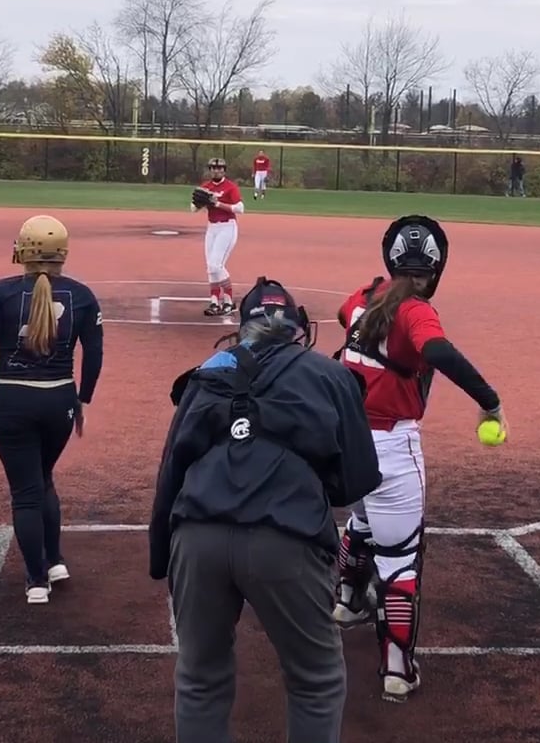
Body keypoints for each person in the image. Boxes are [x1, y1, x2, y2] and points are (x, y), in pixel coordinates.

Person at [149, 278, 381, 743]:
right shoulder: (329, 374)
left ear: (243, 327)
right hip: (286, 533)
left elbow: (171, 470)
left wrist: (162, 560)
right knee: (315, 680)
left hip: (197, 534)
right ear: (297, 327)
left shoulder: (206, 372)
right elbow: (356, 480)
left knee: (199, 679)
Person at [332, 215, 505, 702]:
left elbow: (346, 318)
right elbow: (440, 353)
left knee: (362, 522)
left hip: (348, 444)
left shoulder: (363, 297)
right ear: (435, 268)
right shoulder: (415, 311)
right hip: (393, 448)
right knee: (400, 560)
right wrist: (490, 402)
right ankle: (396, 669)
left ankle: (346, 601)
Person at [0, 215, 105, 603]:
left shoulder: (2, 292)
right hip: (60, 400)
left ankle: (37, 580)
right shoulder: (82, 295)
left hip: (12, 401)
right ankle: (54, 562)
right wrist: (83, 398)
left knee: (26, 492)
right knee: (43, 478)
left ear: (22, 250)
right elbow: (95, 353)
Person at [191, 157, 244, 316]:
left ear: (224, 170)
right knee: (210, 268)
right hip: (212, 228)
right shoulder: (205, 187)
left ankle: (229, 302)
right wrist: (201, 202)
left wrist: (217, 204)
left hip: (227, 228)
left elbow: (240, 208)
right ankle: (214, 302)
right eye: (214, 168)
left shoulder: (230, 187)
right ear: (210, 170)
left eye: (220, 168)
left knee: (216, 265)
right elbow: (193, 209)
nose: (216, 170)